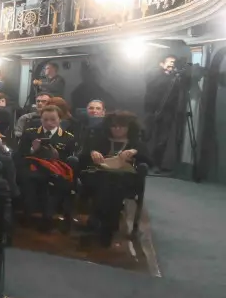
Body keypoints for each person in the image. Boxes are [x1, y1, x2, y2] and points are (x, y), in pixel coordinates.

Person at [79, 111, 148, 245]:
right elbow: (82, 157)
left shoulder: (136, 144)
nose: (117, 129)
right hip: (98, 175)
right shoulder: (99, 139)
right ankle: (109, 224)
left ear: (129, 128)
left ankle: (99, 220)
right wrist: (93, 153)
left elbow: (148, 162)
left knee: (114, 184)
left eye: (121, 126)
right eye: (114, 126)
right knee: (107, 182)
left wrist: (135, 153)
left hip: (124, 178)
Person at [18, 105, 78, 230]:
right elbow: (19, 154)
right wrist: (32, 149)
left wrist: (56, 155)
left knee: (56, 182)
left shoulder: (68, 137)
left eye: (53, 119)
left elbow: (69, 160)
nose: (49, 123)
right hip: (33, 167)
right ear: (41, 119)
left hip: (56, 170)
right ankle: (27, 214)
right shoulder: (30, 133)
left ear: (60, 120)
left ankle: (48, 217)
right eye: (45, 119)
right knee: (28, 178)